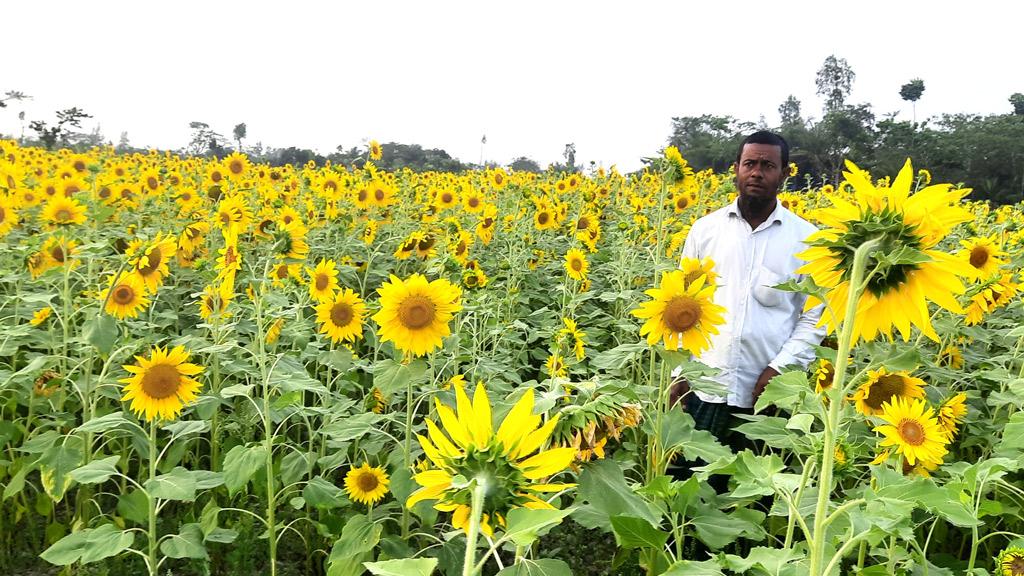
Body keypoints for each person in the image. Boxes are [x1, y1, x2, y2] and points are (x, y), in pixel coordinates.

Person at [671, 131, 826, 456]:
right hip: (704, 387)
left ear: (785, 174)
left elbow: (815, 315)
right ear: (736, 169)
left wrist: (780, 369)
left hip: (766, 394)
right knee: (692, 488)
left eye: (768, 165)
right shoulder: (706, 230)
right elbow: (681, 305)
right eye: (749, 163)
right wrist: (678, 371)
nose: (757, 172)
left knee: (755, 495)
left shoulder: (808, 240)